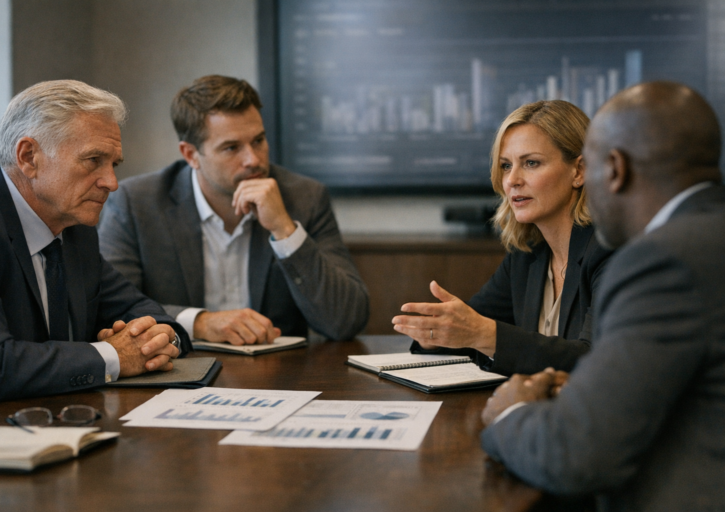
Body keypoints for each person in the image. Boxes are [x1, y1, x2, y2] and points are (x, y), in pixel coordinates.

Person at [481, 81, 725, 511]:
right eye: (505, 166)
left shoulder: (663, 260)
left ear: (613, 169)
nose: (512, 181)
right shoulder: (706, 238)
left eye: (588, 167)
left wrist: (510, 412)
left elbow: (578, 454)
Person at [0, 80, 190, 402]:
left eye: (113, 165)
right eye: (93, 160)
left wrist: (161, 341)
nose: (111, 183)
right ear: (29, 157)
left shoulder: (74, 225)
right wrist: (114, 356)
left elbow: (142, 311)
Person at [98, 75, 368, 344]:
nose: (253, 159)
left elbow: (346, 321)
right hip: (180, 364)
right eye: (231, 148)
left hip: (280, 367)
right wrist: (200, 323)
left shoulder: (305, 198)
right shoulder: (137, 203)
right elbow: (111, 310)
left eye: (258, 141)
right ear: (191, 154)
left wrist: (284, 230)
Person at [392, 100, 612, 375]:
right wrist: (436, 334)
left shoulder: (609, 249)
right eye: (506, 166)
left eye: (531, 163)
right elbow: (470, 330)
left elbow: (596, 359)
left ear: (579, 171)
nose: (512, 180)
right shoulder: (528, 254)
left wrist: (484, 334)